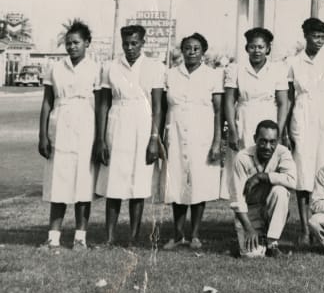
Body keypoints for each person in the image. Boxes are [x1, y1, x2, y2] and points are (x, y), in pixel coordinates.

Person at [94, 24, 165, 246]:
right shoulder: (110, 67)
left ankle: (133, 238)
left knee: (138, 184)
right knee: (114, 183)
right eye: (126, 43)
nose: (130, 48)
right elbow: (103, 104)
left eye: (134, 43)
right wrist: (100, 138)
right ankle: (109, 237)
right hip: (117, 123)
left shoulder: (154, 67)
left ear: (143, 43)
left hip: (143, 126)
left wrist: (154, 138)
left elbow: (158, 107)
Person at [38, 20, 100, 252]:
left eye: (76, 43)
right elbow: (47, 102)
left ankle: (80, 238)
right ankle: (53, 237)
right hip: (60, 125)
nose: (72, 47)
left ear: (87, 43)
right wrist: (43, 135)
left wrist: (100, 138)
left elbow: (101, 104)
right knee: (58, 183)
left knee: (83, 185)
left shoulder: (96, 68)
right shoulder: (55, 68)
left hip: (86, 126)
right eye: (68, 43)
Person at [161, 32, 223, 250]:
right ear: (182, 50)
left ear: (203, 52)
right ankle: (177, 235)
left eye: (196, 48)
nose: (192, 52)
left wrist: (217, 141)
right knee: (177, 182)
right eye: (188, 48)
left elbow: (218, 110)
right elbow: (163, 107)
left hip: (201, 134)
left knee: (198, 182)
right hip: (176, 132)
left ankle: (195, 234)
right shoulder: (170, 74)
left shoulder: (213, 75)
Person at [285, 17, 324, 249]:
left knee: (323, 174)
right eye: (315, 36)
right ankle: (305, 229)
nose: (319, 41)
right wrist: (286, 130)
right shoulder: (293, 62)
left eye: (322, 37)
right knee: (303, 176)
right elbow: (288, 97)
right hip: (302, 118)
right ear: (305, 36)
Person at [223, 27, 289, 199]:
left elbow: (283, 103)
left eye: (261, 47)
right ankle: (241, 218)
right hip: (244, 120)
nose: (256, 51)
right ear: (247, 48)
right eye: (252, 47)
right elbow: (229, 101)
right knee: (243, 166)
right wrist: (232, 130)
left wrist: (279, 132)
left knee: (268, 168)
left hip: (269, 119)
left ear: (267, 48)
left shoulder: (278, 69)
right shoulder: (236, 69)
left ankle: (266, 217)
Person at [229, 119, 297, 257]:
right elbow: (237, 200)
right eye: (263, 141)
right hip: (250, 211)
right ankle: (247, 243)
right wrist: (248, 229)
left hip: (269, 208)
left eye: (272, 142)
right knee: (252, 255)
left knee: (281, 191)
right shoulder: (242, 158)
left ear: (278, 141)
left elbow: (292, 181)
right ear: (255, 139)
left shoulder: (283, 152)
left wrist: (263, 176)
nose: (267, 146)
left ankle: (272, 244)